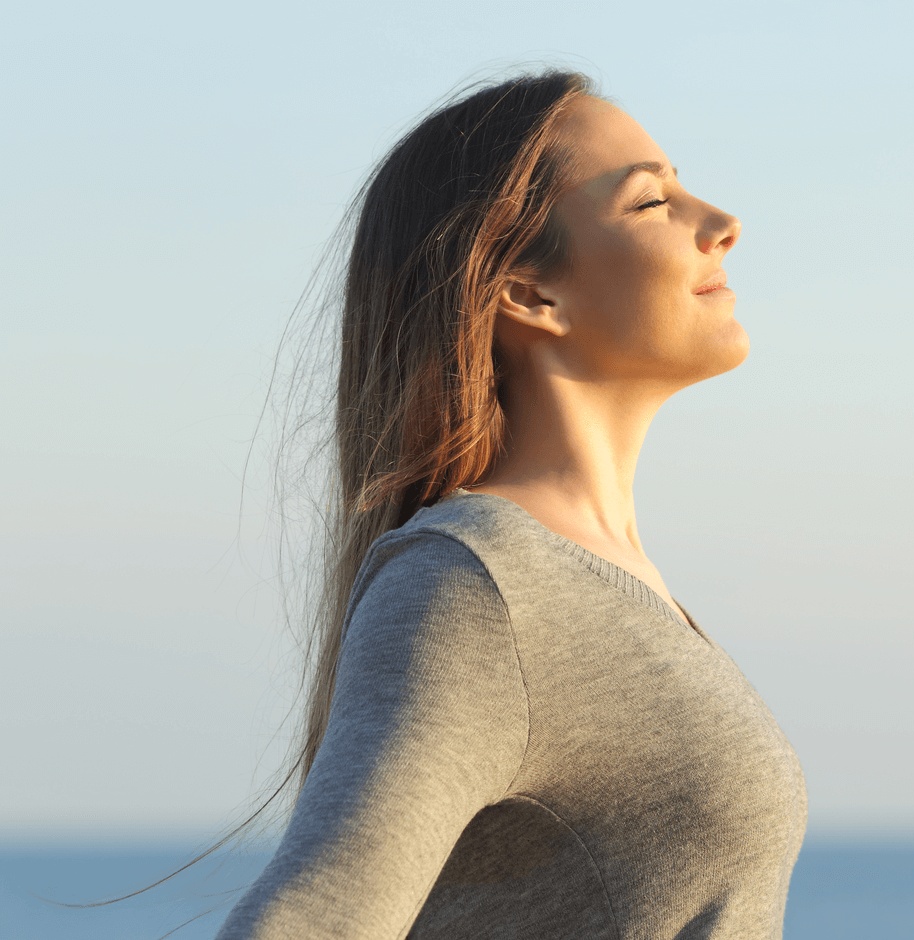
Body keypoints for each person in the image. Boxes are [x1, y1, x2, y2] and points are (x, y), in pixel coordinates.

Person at [214, 70, 808, 938]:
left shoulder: (597, 580)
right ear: (528, 293)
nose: (721, 225)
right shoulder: (475, 584)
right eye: (651, 203)